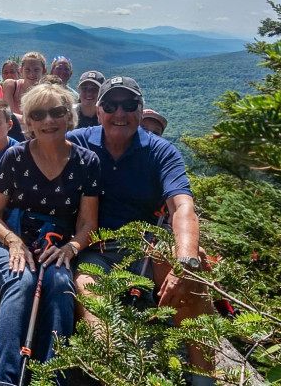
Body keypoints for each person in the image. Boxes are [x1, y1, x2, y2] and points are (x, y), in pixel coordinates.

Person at [66, 76, 215, 384]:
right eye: (111, 105)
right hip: (96, 248)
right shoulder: (78, 141)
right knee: (92, 299)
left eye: (129, 105)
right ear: (99, 109)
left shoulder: (160, 151)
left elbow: (182, 206)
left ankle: (204, 379)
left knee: (193, 284)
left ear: (141, 108)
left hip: (146, 248)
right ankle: (116, 371)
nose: (120, 113)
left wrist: (185, 261)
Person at [0, 83, 100, 386]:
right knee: (22, 278)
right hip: (6, 238)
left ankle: (51, 378)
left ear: (69, 117)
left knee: (59, 283)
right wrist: (13, 242)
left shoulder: (87, 163)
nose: (48, 121)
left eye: (57, 112)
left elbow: (88, 225)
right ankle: (4, 379)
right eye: (38, 114)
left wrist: (70, 248)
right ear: (27, 122)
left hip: (53, 244)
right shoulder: (15, 157)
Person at [3, 51, 47, 116]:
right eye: (27, 69)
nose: (32, 74)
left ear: (43, 71)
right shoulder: (11, 86)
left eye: (36, 70)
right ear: (21, 70)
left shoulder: (46, 92)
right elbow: (9, 116)